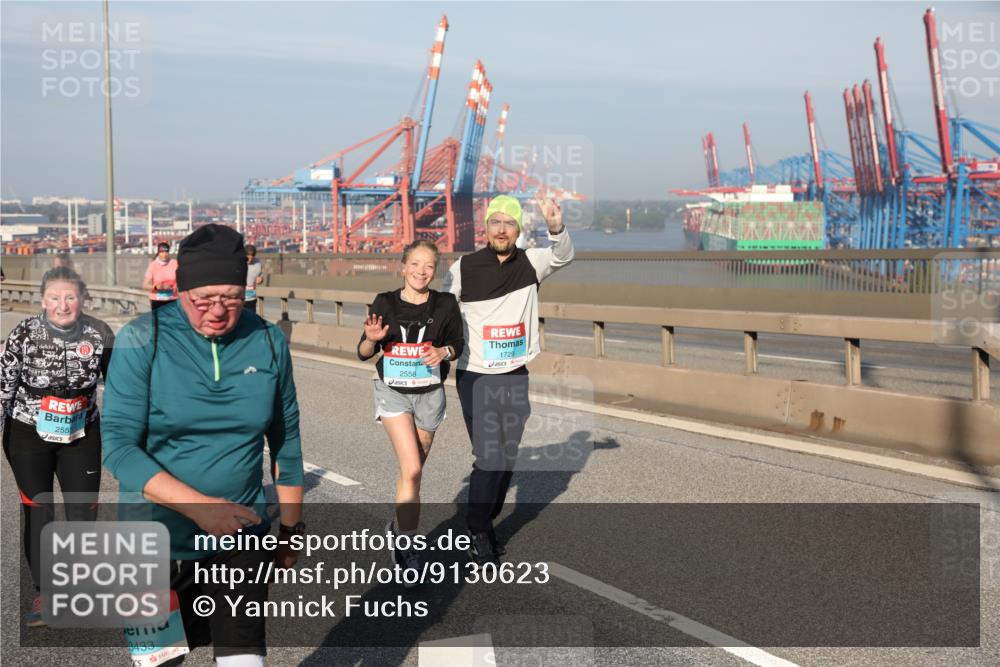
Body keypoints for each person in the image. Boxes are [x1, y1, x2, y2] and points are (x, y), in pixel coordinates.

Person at [102, 224, 303, 666]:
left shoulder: (267, 342)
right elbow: (117, 446)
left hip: (240, 533)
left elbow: (286, 443)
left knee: (243, 658)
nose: (217, 311)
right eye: (203, 300)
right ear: (179, 290)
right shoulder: (142, 338)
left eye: (231, 298)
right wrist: (200, 507)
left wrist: (290, 527)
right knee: (162, 659)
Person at [443, 195, 574, 566]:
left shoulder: (532, 262)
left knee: (506, 457)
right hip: (476, 374)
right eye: (495, 222)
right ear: (485, 228)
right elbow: (441, 311)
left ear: (518, 229)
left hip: (515, 374)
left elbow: (563, 255)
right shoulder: (464, 267)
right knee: (490, 457)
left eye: (509, 223)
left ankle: (484, 520)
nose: (501, 229)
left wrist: (555, 227)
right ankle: (477, 528)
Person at [1, 266, 115, 626]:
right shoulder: (24, 334)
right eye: (54, 298)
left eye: (70, 297)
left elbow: (122, 387)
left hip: (81, 432)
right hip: (27, 432)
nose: (62, 306)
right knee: (40, 512)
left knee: (83, 514)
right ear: (42, 300)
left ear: (82, 299)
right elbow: (3, 388)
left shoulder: (99, 333)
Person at [357, 239, 464, 583]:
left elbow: (457, 344)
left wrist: (443, 352)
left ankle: (399, 528)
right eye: (415, 264)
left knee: (411, 477)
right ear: (403, 267)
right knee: (414, 469)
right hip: (393, 393)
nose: (421, 271)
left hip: (430, 395)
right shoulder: (384, 302)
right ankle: (407, 545)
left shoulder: (446, 304)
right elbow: (362, 351)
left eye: (429, 266)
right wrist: (372, 340)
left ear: (436, 270)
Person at [143, 241, 179, 311]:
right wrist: (157, 287)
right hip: (157, 300)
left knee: (171, 321)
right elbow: (145, 285)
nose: (164, 254)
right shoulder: (153, 265)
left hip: (172, 299)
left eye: (166, 252)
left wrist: (174, 287)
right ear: (158, 252)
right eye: (162, 252)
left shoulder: (175, 263)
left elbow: (182, 280)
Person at [244, 244, 265, 313]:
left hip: (251, 298)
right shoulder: (237, 263)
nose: (249, 260)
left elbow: (260, 275)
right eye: (247, 258)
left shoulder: (257, 263)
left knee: (251, 319)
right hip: (240, 299)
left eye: (252, 258)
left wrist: (261, 279)